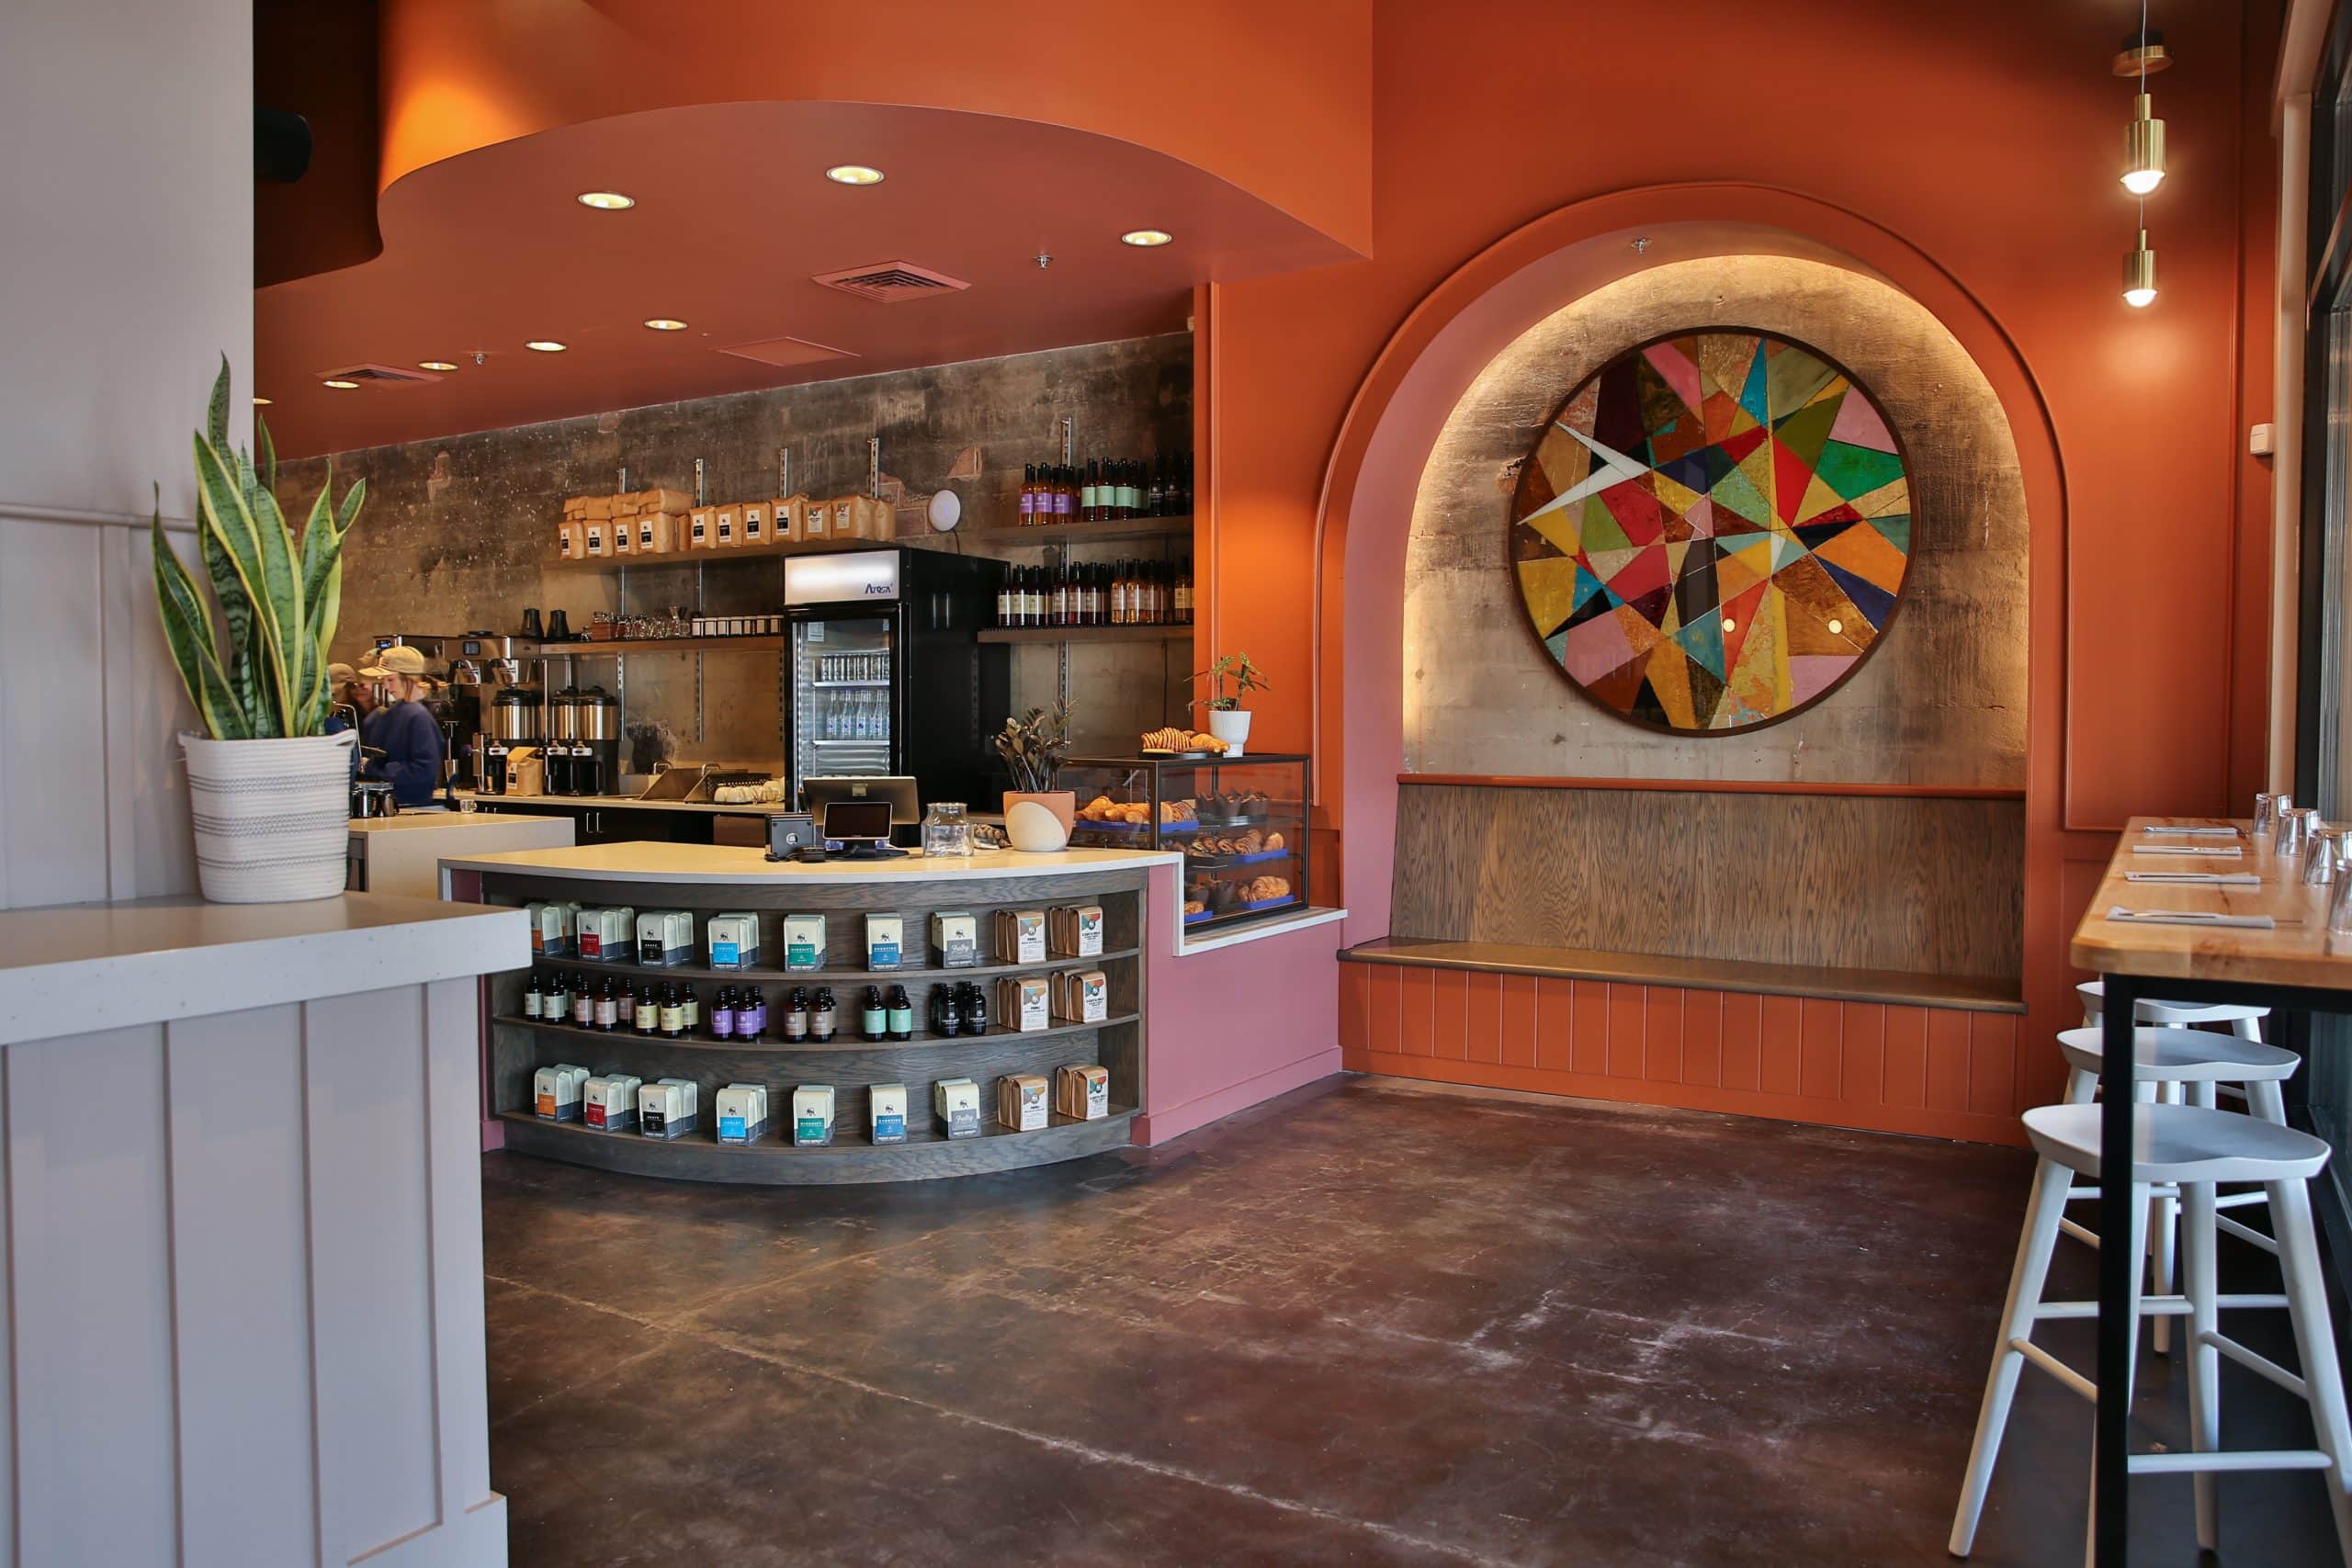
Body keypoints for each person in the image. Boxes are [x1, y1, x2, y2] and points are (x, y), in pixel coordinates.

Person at [357, 646, 446, 807]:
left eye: (391, 680)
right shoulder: (391, 713)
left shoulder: (418, 717)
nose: (385, 686)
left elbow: (423, 771)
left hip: (412, 807)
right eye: (383, 680)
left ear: (409, 679)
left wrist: (372, 768)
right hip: (392, 805)